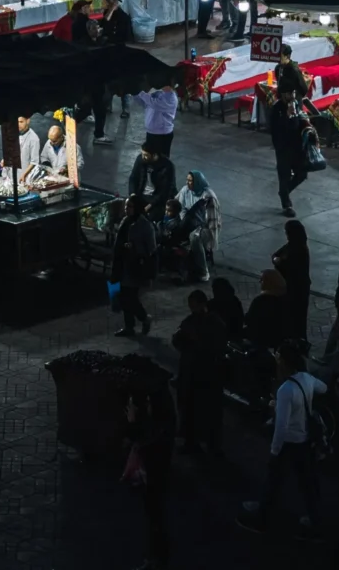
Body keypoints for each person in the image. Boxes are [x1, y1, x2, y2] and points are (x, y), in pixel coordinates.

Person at [250, 340, 327, 533]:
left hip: (289, 442)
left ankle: (261, 519)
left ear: (284, 362)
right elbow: (323, 388)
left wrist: (275, 450)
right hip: (305, 440)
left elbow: (281, 427)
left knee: (274, 480)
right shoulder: (306, 379)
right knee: (308, 484)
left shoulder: (285, 390)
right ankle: (315, 520)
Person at [125, 377, 178, 567]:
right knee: (155, 513)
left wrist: (132, 421)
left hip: (153, 472)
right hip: (159, 470)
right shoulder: (165, 419)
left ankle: (156, 558)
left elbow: (139, 438)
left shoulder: (152, 430)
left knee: (154, 515)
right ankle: (158, 554)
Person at [170, 289, 228, 458]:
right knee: (193, 410)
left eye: (193, 305)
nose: (191, 308)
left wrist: (195, 341)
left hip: (205, 375)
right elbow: (178, 340)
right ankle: (194, 443)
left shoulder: (212, 323)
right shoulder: (197, 321)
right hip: (195, 374)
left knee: (206, 412)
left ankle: (209, 445)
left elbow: (216, 347)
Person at [267, 72, 313, 216]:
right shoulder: (277, 109)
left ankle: (284, 191)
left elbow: (298, 124)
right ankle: (287, 204)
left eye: (293, 92)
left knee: (302, 174)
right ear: (282, 94)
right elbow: (277, 130)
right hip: (283, 148)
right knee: (284, 175)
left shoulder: (296, 103)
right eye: (289, 93)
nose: (292, 96)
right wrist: (288, 116)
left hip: (297, 147)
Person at [114, 192, 159, 337]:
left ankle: (144, 318)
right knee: (123, 296)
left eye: (130, 206)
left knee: (129, 297)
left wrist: (134, 248)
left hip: (134, 266)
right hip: (122, 263)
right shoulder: (126, 221)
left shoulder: (145, 226)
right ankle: (129, 327)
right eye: (126, 205)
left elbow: (151, 249)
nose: (127, 208)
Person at [273, 221, 313, 347]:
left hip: (296, 290)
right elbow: (277, 255)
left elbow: (288, 266)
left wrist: (278, 262)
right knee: (298, 318)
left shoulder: (298, 250)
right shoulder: (295, 245)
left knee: (296, 317)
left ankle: (297, 343)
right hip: (298, 288)